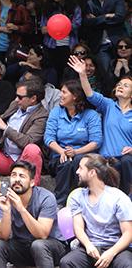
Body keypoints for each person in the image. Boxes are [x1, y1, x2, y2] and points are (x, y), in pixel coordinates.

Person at [69, 56, 132, 195]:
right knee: (80, 159)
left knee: (126, 161)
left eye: (125, 85)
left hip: (126, 158)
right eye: (119, 84)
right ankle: (77, 198)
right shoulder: (109, 105)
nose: (120, 86)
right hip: (105, 158)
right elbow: (90, 94)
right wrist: (82, 74)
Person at [0, 160, 67, 268]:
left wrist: (21, 209)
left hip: (50, 247)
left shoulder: (46, 197)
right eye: (13, 175)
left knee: (38, 245)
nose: (17, 179)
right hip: (23, 247)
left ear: (32, 182)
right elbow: (3, 236)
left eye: (22, 176)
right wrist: (6, 211)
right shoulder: (5, 198)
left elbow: (42, 234)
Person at [59, 154, 132, 268]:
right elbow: (78, 228)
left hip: (116, 248)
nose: (77, 172)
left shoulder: (119, 197)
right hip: (90, 246)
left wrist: (111, 252)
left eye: (81, 168)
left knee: (127, 264)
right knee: (67, 262)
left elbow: (128, 233)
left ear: (92, 172)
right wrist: (88, 246)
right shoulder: (77, 196)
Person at [0, 79, 48, 186]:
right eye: (16, 96)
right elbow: (2, 119)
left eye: (20, 97)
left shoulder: (42, 115)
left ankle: (33, 191)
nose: (17, 99)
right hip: (5, 157)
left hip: (23, 160)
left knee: (33, 149)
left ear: (33, 99)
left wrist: (5, 128)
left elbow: (29, 141)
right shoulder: (15, 104)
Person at [44, 80, 102, 206]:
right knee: (65, 162)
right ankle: (60, 202)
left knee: (78, 161)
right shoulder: (56, 112)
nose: (60, 95)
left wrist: (76, 152)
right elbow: (48, 138)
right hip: (59, 156)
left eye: (64, 92)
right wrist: (62, 151)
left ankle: (80, 199)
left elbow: (96, 141)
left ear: (74, 96)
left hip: (82, 155)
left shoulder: (91, 115)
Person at [83, 0, 127, 73]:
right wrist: (107, 16)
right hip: (100, 44)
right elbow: (88, 22)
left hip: (118, 41)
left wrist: (97, 19)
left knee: (123, 69)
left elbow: (120, 17)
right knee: (106, 72)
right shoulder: (90, 3)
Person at [41, 0, 82, 81]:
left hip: (69, 46)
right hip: (51, 46)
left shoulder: (74, 8)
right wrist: (48, 29)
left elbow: (77, 24)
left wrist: (61, 27)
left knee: (68, 73)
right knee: (54, 74)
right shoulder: (48, 9)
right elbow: (43, 28)